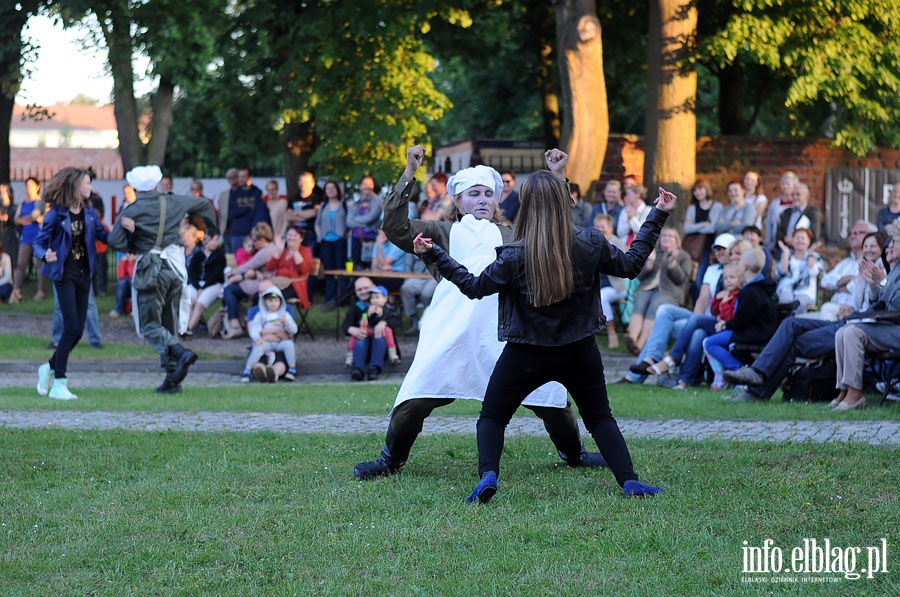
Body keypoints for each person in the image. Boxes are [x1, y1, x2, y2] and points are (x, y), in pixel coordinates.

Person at [413, 148, 673, 502]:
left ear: (526, 206)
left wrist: (434, 254)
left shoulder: (513, 255)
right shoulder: (589, 242)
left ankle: (489, 475)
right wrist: (657, 214)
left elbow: (473, 287)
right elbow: (631, 265)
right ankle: (629, 481)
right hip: (579, 350)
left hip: (525, 353)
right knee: (599, 418)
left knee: (492, 418)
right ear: (564, 201)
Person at [353, 146, 605, 482]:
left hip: (506, 329)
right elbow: (395, 226)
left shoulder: (515, 233)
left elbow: (557, 228)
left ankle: (573, 453)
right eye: (474, 194)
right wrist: (410, 171)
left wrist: (558, 178)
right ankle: (390, 459)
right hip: (451, 328)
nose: (483, 199)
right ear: (457, 200)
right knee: (415, 397)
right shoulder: (441, 232)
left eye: (489, 193)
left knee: (550, 398)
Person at [722, 232, 888, 403]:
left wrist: (876, 284)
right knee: (790, 324)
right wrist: (851, 306)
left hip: (859, 327)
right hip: (847, 320)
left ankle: (756, 387)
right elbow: (851, 293)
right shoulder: (865, 270)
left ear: (884, 247)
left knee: (792, 342)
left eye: (873, 246)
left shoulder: (885, 271)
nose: (868, 249)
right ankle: (756, 375)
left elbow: (883, 302)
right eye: (866, 246)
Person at [108, 165, 218, 393]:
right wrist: (212, 231)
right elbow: (206, 205)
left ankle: (180, 353)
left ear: (136, 188)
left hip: (150, 270)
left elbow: (114, 241)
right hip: (175, 269)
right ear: (156, 185)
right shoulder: (175, 201)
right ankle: (172, 380)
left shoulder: (133, 209)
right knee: (168, 324)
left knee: (150, 326)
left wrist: (132, 237)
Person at [33, 167, 108, 400]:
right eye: (87, 183)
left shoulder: (90, 213)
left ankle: (49, 367)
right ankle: (59, 383)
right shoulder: (56, 214)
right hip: (64, 275)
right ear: (75, 185)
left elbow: (106, 237)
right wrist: (45, 254)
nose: (91, 188)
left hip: (84, 275)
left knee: (77, 332)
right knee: (72, 327)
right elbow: (39, 243)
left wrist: (130, 235)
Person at [830, 223, 900, 410]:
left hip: (896, 330)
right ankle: (844, 390)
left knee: (853, 333)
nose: (890, 245)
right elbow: (880, 302)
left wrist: (883, 281)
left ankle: (855, 393)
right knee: (842, 332)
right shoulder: (895, 269)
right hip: (889, 325)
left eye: (895, 241)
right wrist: (874, 285)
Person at [702, 248, 777, 389]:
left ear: (744, 267)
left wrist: (724, 326)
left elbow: (741, 321)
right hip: (755, 331)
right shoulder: (760, 287)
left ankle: (739, 371)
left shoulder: (751, 292)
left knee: (709, 343)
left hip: (754, 334)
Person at [623, 226, 692, 355]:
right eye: (664, 236)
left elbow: (681, 280)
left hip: (670, 293)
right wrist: (649, 262)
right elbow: (640, 276)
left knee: (655, 304)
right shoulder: (656, 253)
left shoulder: (683, 256)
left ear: (676, 240)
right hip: (648, 289)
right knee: (640, 299)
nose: (666, 238)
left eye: (670, 236)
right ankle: (632, 339)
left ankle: (640, 345)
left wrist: (673, 264)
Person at [220, 223, 279, 338]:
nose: (253, 242)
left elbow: (249, 265)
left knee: (229, 290)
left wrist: (232, 272)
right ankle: (241, 322)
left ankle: (235, 325)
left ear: (262, 239)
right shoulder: (268, 248)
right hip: (260, 281)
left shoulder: (266, 251)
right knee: (231, 288)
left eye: (255, 239)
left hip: (264, 283)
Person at [813, 220, 876, 321]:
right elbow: (825, 281)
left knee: (826, 309)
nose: (852, 236)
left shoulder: (873, 262)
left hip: (853, 311)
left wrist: (844, 284)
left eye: (857, 233)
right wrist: (844, 280)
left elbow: (861, 288)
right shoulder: (846, 263)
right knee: (793, 322)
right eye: (851, 234)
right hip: (836, 307)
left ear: (870, 236)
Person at [240, 285, 298, 383]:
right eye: (270, 301)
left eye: (276, 300)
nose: (273, 304)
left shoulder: (285, 315)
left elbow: (294, 330)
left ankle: (292, 369)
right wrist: (258, 338)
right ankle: (247, 370)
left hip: (280, 342)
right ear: (265, 302)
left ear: (280, 301)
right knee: (258, 348)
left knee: (289, 345)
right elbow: (255, 329)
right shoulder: (261, 315)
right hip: (266, 342)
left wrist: (286, 323)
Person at [345, 284, 401, 374]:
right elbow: (346, 325)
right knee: (360, 339)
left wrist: (384, 321)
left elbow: (396, 320)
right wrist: (352, 329)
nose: (363, 291)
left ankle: (376, 367)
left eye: (365, 288)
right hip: (365, 337)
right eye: (359, 289)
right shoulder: (358, 307)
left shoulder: (388, 308)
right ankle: (357, 368)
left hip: (381, 340)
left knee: (379, 338)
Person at [683, 179, 723, 302]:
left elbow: (712, 228)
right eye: (695, 190)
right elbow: (686, 228)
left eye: (700, 189)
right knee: (692, 281)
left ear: (707, 189)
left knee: (701, 281)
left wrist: (695, 226)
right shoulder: (692, 208)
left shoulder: (716, 206)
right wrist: (703, 224)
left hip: (708, 249)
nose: (698, 193)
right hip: (693, 250)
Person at [11, 176, 47, 303]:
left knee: (40, 265)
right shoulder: (22, 204)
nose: (28, 188)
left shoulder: (40, 201)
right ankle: (16, 291)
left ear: (37, 187)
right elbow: (16, 219)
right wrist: (25, 220)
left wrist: (24, 219)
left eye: (31, 185)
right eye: (27, 185)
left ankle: (42, 290)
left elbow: (34, 216)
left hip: (38, 237)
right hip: (25, 237)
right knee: (21, 264)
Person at [594, 213, 627, 349]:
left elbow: (622, 268)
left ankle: (611, 333)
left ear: (610, 229)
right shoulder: (592, 242)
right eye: (597, 227)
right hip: (596, 283)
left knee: (602, 297)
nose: (600, 230)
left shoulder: (617, 243)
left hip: (615, 286)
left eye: (602, 227)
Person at [314, 180, 348, 310]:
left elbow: (348, 223)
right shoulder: (323, 206)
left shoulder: (344, 205)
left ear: (337, 190)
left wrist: (344, 235)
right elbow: (317, 224)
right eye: (328, 189)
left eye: (333, 188)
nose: (330, 191)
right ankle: (329, 299)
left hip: (339, 242)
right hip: (326, 242)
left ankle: (341, 300)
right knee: (328, 271)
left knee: (340, 271)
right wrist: (320, 236)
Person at [186, 232, 226, 334]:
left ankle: (189, 329)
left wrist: (203, 289)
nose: (214, 243)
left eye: (216, 240)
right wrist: (198, 287)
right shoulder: (198, 255)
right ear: (205, 241)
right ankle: (186, 326)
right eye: (211, 240)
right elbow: (192, 273)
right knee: (189, 301)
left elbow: (216, 275)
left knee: (199, 305)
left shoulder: (220, 256)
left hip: (212, 285)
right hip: (197, 285)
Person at [775, 227, 823, 314]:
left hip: (805, 290)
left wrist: (810, 253)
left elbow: (814, 272)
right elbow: (781, 271)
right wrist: (786, 253)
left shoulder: (815, 256)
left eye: (803, 238)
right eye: (797, 238)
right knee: (785, 300)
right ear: (792, 241)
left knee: (799, 304)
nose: (800, 241)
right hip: (787, 288)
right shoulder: (787, 254)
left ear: (808, 242)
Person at [264, 225, 313, 307]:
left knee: (272, 297)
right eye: (289, 235)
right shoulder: (283, 251)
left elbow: (304, 270)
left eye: (295, 235)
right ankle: (258, 317)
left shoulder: (305, 251)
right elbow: (269, 268)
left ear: (301, 239)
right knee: (258, 295)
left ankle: (275, 317)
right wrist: (278, 251)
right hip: (278, 282)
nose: (292, 238)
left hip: (294, 285)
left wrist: (295, 251)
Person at [226, 167, 268, 254]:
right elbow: (232, 214)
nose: (241, 179)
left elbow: (256, 213)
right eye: (240, 177)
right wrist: (248, 208)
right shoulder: (234, 193)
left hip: (251, 234)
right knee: (237, 260)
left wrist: (240, 211)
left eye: (244, 176)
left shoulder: (256, 192)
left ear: (249, 177)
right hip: (236, 233)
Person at [346, 175, 383, 269]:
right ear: (360, 186)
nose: (368, 186)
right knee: (356, 267)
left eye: (370, 184)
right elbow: (348, 222)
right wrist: (363, 223)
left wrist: (355, 220)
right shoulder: (356, 202)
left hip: (370, 239)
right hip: (355, 238)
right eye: (365, 184)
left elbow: (370, 217)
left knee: (369, 267)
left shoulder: (377, 201)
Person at [775, 183, 821, 253]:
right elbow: (778, 232)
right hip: (785, 250)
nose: (795, 197)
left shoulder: (812, 213)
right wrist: (785, 238)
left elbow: (814, 235)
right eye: (793, 195)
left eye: (798, 194)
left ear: (806, 197)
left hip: (804, 252)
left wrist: (797, 241)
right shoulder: (786, 212)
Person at [285, 170, 324, 248]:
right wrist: (306, 216)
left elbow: (314, 213)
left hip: (310, 234)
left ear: (312, 184)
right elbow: (288, 216)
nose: (303, 184)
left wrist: (296, 212)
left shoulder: (317, 198)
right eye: (301, 181)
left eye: (306, 182)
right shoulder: (293, 198)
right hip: (294, 234)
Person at [399, 253, 436, 334]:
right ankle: (414, 321)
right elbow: (408, 265)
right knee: (406, 288)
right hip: (417, 277)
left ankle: (426, 320)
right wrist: (407, 279)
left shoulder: (439, 242)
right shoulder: (412, 244)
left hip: (433, 277)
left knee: (426, 294)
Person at [764, 171, 799, 252]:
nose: (785, 187)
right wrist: (769, 241)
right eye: (783, 184)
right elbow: (769, 223)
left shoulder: (797, 204)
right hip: (776, 242)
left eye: (788, 184)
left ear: (794, 185)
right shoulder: (775, 203)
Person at [218, 168, 238, 250]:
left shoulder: (243, 193)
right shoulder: (223, 195)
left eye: (234, 177)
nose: (232, 179)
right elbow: (221, 214)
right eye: (230, 177)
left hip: (238, 232)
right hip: (226, 232)